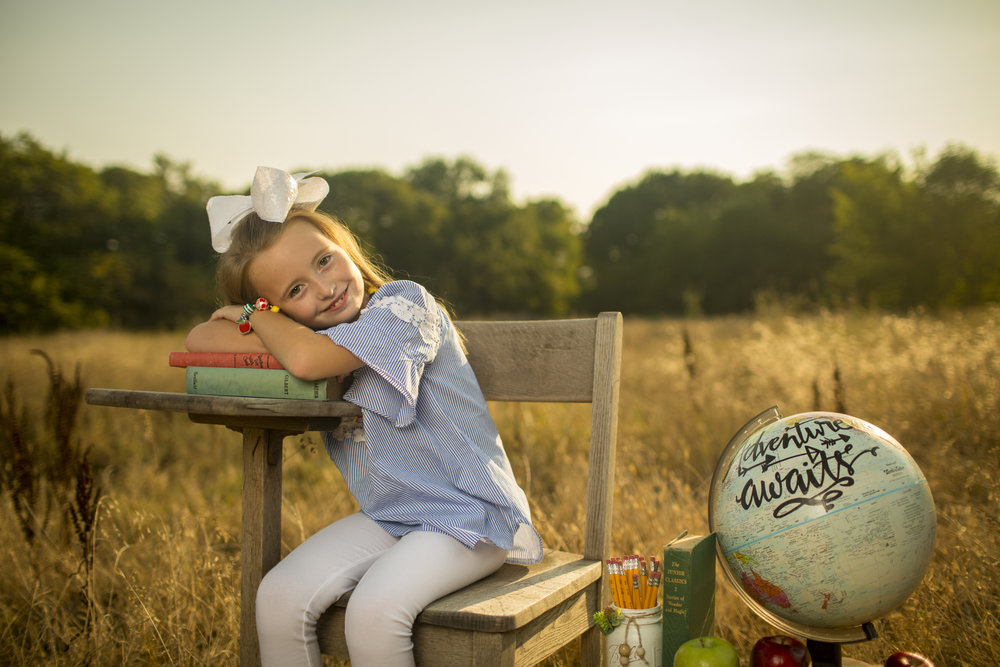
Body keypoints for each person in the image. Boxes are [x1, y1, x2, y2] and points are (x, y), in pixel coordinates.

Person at [185, 167, 543, 666]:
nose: (324, 287)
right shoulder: (319, 338)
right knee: (279, 596)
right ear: (284, 312)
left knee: (374, 611)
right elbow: (199, 340)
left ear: (346, 248)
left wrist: (258, 316)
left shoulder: (401, 308)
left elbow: (307, 362)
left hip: (469, 519)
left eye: (324, 261)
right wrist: (265, 319)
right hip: (392, 516)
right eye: (295, 291)